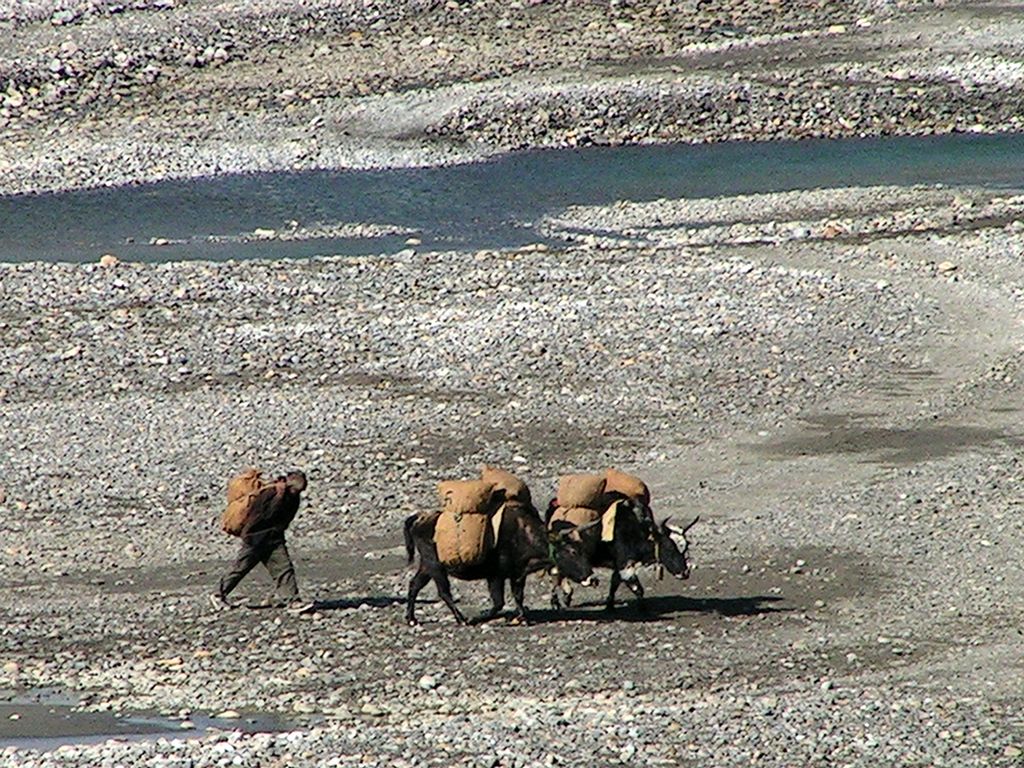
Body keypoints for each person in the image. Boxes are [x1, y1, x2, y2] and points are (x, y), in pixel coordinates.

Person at [210, 470, 314, 613]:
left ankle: (293, 601)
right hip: (255, 538)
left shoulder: (293, 497)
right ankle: (218, 594)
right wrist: (278, 497)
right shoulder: (269, 493)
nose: (297, 493)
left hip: (274, 539)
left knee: (284, 569)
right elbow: (262, 516)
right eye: (296, 490)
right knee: (240, 568)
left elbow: (287, 518)